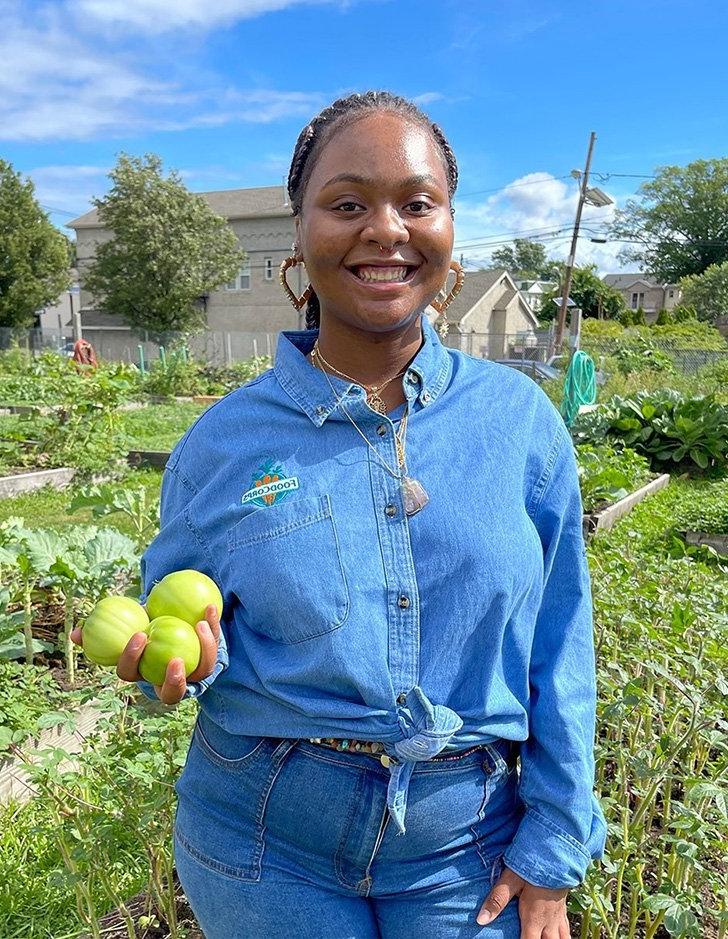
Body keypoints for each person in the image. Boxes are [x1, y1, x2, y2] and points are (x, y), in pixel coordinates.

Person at [73, 91, 606, 938]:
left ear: (449, 231)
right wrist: (178, 664)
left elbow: (561, 639)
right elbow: (178, 615)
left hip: (466, 842)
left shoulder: (518, 422)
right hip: (262, 838)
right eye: (348, 203)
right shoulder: (225, 442)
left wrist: (554, 841)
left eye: (416, 202)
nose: (385, 229)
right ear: (301, 233)